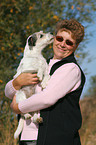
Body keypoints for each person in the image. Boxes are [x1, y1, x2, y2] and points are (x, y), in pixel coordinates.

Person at [5, 18, 86, 145]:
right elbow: (9, 92)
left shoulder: (70, 68)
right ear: (54, 38)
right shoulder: (42, 63)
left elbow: (47, 98)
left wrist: (17, 107)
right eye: (59, 38)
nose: (62, 44)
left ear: (76, 46)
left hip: (55, 139)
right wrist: (17, 83)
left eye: (69, 42)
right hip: (28, 138)